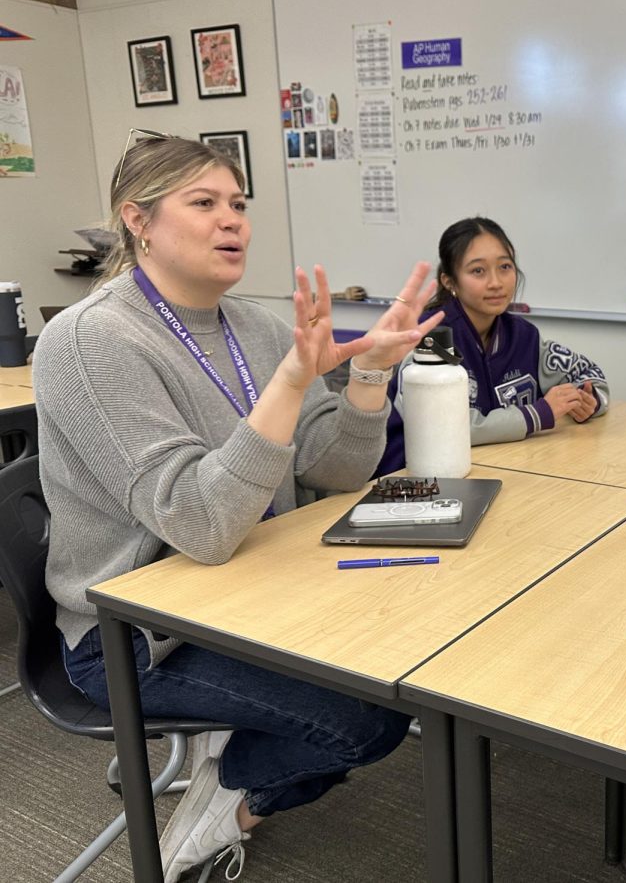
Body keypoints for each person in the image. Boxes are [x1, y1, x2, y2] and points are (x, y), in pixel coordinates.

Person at [34, 133, 443, 882]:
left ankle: (233, 751)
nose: (234, 222)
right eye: (204, 203)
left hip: (253, 594)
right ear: (139, 220)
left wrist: (369, 377)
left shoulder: (250, 324)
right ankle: (231, 799)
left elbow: (342, 468)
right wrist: (289, 385)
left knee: (406, 660)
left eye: (238, 205)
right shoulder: (91, 341)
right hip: (134, 632)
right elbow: (202, 526)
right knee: (366, 720)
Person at [375, 216, 609, 476]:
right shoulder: (428, 339)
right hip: (414, 480)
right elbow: (445, 429)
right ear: (449, 281)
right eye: (478, 271)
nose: (496, 282)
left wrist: (588, 400)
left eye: (505, 267)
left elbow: (589, 373)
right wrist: (538, 413)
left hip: (501, 470)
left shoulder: (524, 336)